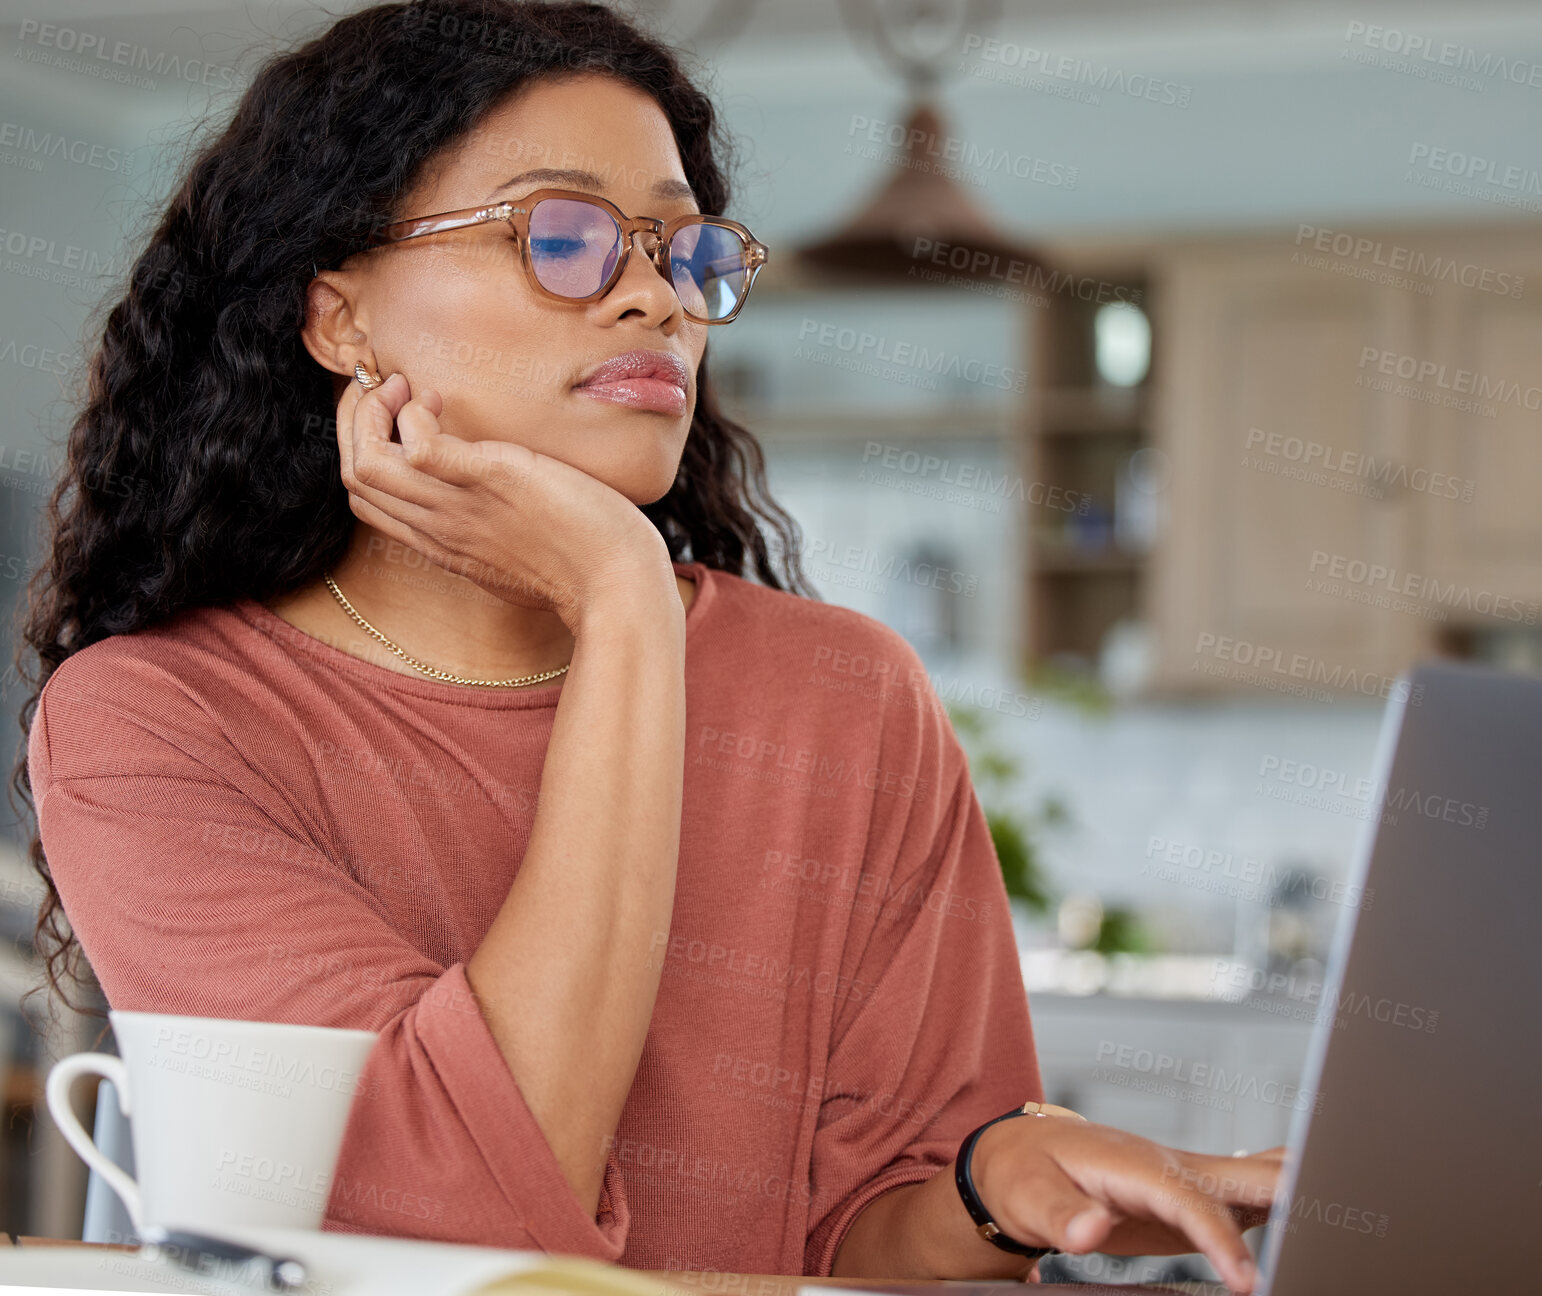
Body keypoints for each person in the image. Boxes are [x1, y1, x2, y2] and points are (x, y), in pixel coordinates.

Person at [11, 0, 1278, 1287]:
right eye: (560, 237)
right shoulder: (156, 721)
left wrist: (989, 1202)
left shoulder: (848, 697)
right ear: (338, 318)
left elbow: (860, 1244)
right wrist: (623, 600)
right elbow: (457, 1220)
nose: (656, 302)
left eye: (686, 254)